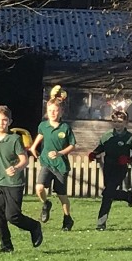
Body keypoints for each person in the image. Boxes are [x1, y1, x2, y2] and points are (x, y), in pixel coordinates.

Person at [0, 104, 42, 252]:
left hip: (14, 183)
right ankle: (6, 246)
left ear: (10, 122)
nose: (1, 123)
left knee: (12, 216)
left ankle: (34, 226)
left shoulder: (14, 139)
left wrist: (16, 168)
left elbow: (24, 160)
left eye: (4, 120)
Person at [30, 85, 77, 231]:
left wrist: (60, 153)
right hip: (47, 163)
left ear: (61, 112)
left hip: (61, 166)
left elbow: (72, 145)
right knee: (39, 188)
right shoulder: (43, 126)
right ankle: (46, 204)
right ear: (47, 111)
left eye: (55, 110)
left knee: (61, 195)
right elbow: (40, 136)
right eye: (50, 110)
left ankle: (67, 219)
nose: (52, 113)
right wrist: (33, 147)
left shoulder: (65, 128)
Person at [90, 106, 132, 231]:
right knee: (109, 193)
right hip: (108, 167)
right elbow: (101, 147)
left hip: (120, 168)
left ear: (126, 122)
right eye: (115, 122)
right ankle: (126, 196)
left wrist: (128, 160)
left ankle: (101, 223)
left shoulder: (129, 137)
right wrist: (94, 153)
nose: (117, 124)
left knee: (107, 194)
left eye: (120, 122)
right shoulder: (107, 136)